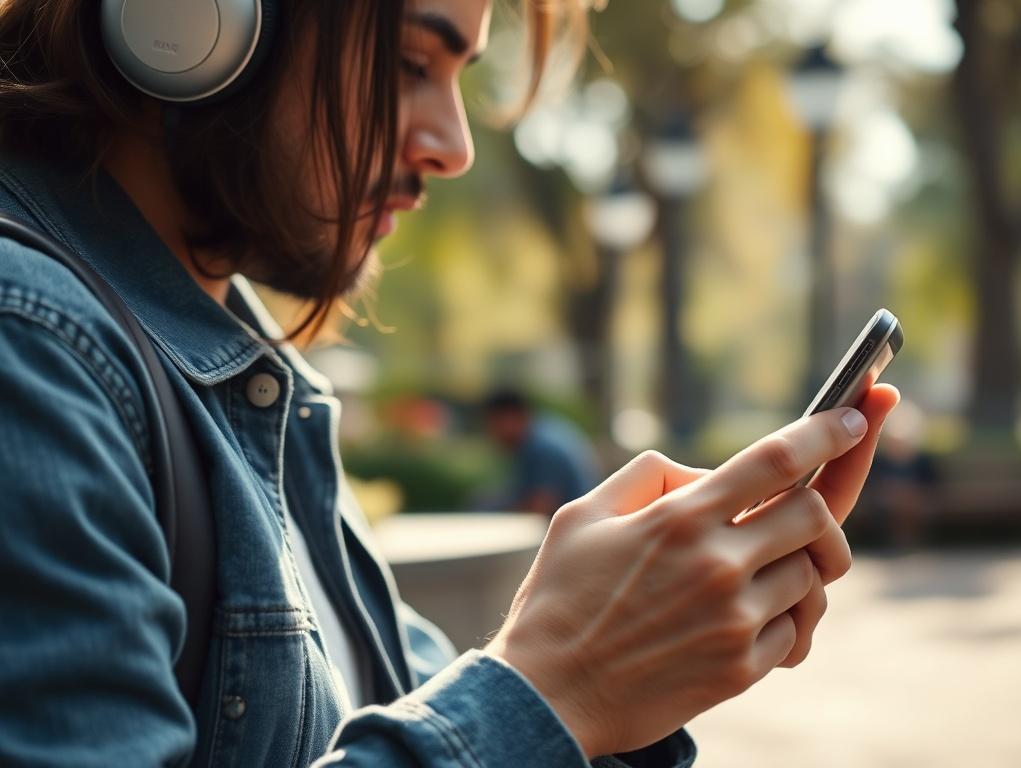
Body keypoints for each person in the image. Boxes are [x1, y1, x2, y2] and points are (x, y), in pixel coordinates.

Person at [0, 1, 900, 766]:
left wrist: (631, 677)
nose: (455, 146)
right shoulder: (31, 350)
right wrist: (562, 685)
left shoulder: (250, 374)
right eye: (406, 64)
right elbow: (495, 717)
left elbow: (421, 715)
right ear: (188, 20)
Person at [482, 389, 602, 516]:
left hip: (575, 525)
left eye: (494, 424)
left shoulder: (543, 447)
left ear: (511, 417)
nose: (492, 433)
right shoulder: (542, 431)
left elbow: (541, 505)